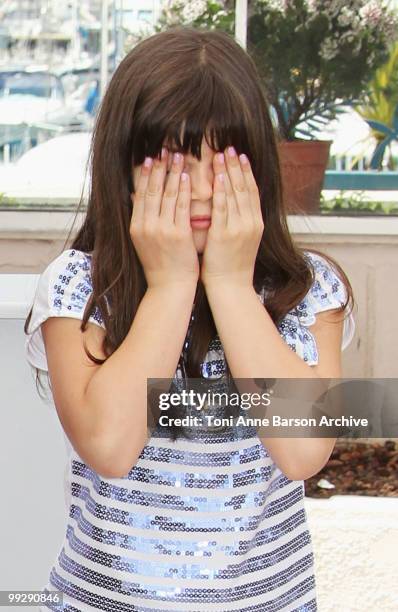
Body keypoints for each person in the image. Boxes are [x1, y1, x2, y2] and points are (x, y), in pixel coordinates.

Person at [25, 26, 356, 612]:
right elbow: (109, 446)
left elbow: (304, 453)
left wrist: (229, 283)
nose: (201, 191)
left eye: (222, 162)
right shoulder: (79, 287)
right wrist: (172, 284)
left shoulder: (307, 291)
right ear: (124, 168)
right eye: (173, 163)